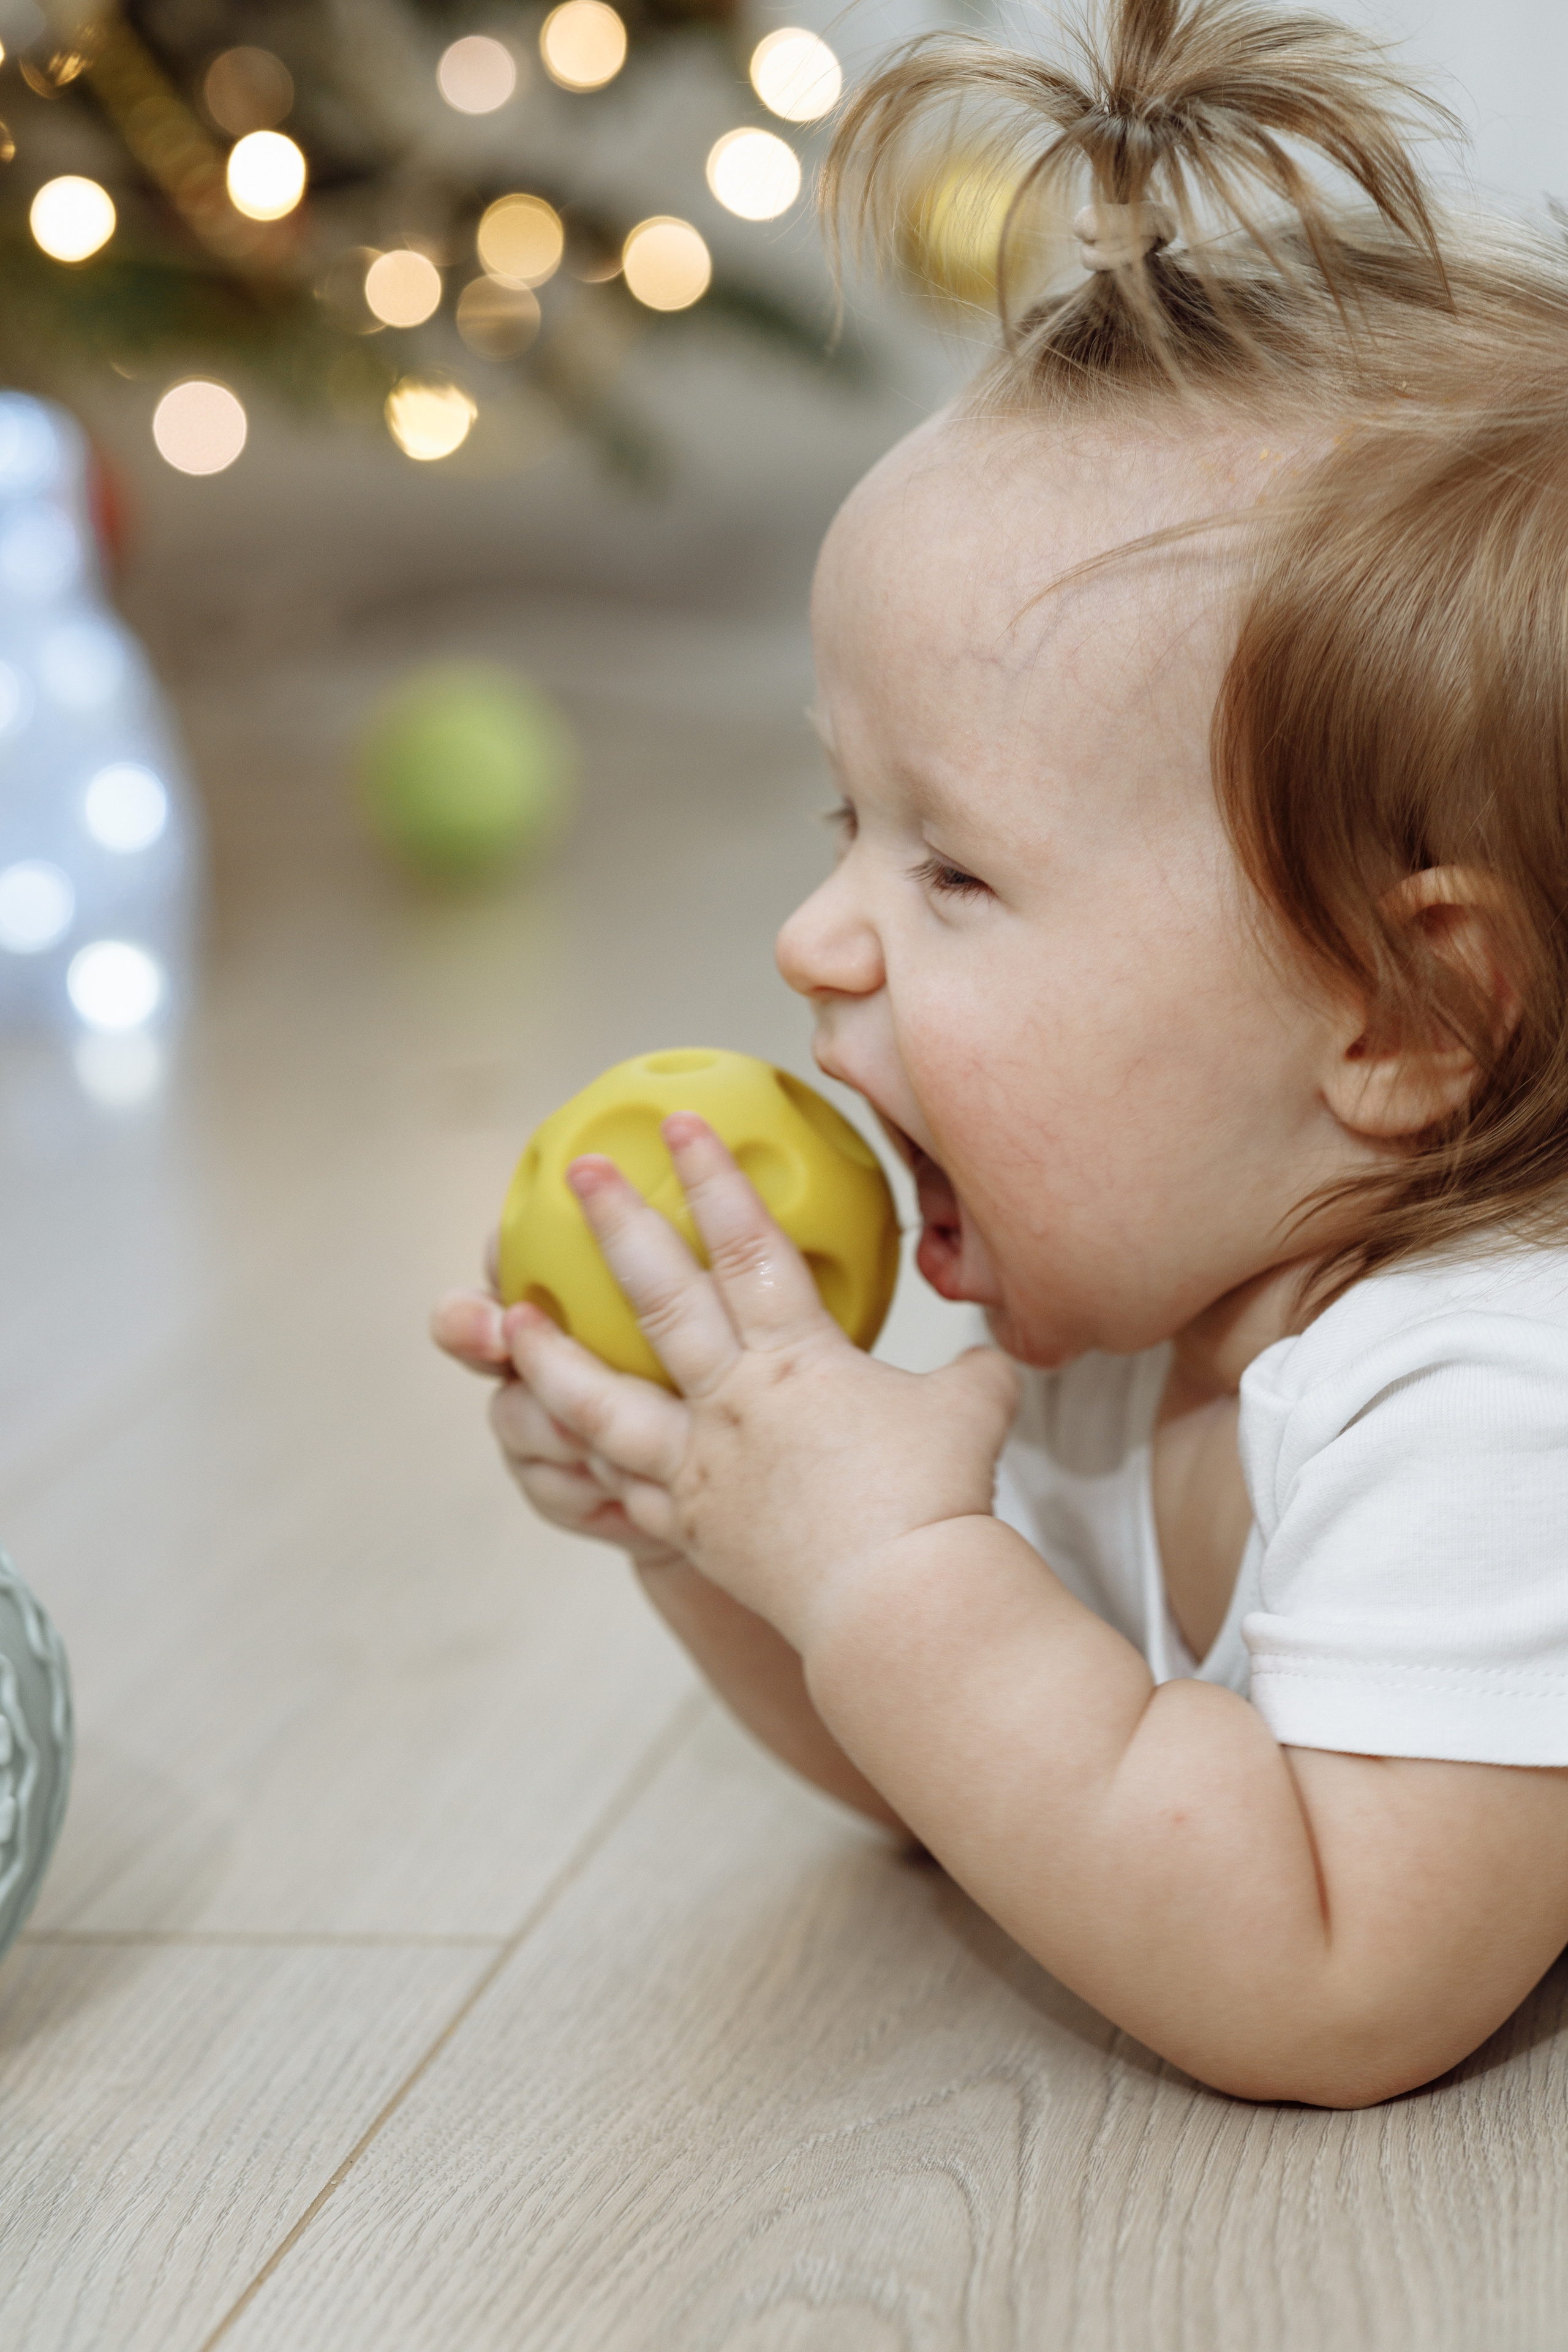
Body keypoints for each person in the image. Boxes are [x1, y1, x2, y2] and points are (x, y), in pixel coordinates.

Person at [433, 0, 1568, 2106]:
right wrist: (722, 1526)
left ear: (1402, 1021)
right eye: (839, 820)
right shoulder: (1134, 1304)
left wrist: (890, 1565)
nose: (810, 933)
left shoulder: (1498, 1405)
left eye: (952, 872)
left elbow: (1332, 1979)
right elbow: (987, 1788)